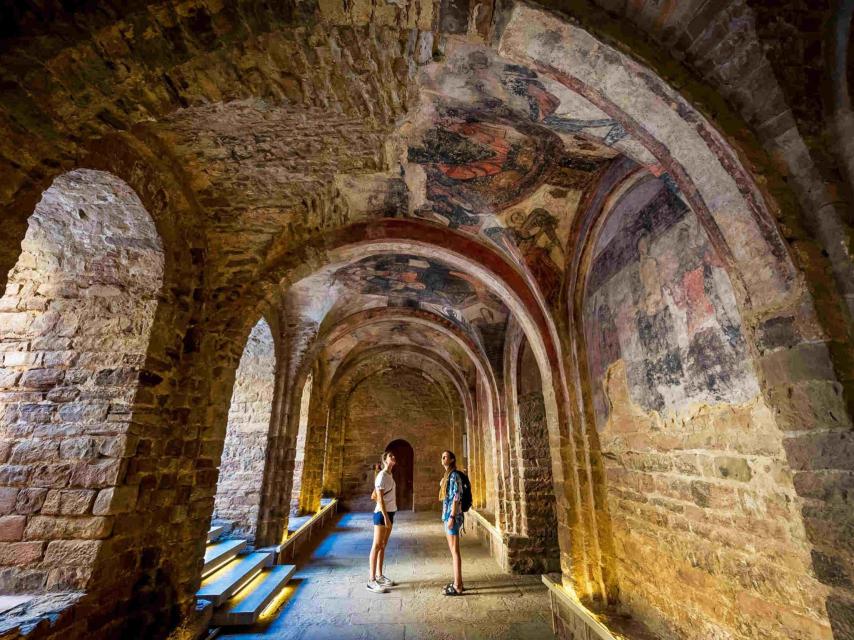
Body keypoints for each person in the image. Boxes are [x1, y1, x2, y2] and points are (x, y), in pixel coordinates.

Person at [367, 450, 397, 594]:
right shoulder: (382, 476)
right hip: (381, 514)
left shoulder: (390, 475)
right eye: (390, 456)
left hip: (390, 512)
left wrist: (390, 515)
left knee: (383, 545)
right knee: (377, 545)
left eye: (393, 456)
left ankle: (379, 575)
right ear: (385, 460)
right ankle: (371, 580)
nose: (393, 458)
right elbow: (379, 498)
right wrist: (385, 517)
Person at [439, 450, 464, 595]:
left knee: (455, 551)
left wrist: (452, 517)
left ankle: (458, 586)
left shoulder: (454, 475)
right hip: (447, 515)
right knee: (453, 550)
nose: (442, 459)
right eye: (442, 457)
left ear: (452, 459)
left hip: (452, 516)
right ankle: (458, 581)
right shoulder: (447, 476)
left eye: (445, 457)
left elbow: (456, 497)